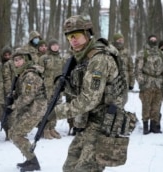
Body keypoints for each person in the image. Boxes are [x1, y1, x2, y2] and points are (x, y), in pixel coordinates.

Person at [50, 15, 131, 172]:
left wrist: (56, 112)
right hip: (88, 121)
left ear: (88, 34)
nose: (73, 40)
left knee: (86, 169)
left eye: (77, 35)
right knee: (69, 167)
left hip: (103, 122)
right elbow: (83, 89)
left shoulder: (99, 59)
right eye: (69, 36)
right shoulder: (81, 57)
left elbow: (89, 100)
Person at [7, 47, 47, 172]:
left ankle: (33, 161)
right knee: (14, 133)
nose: (17, 62)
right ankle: (30, 159)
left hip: (36, 108)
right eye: (15, 60)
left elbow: (27, 97)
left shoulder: (30, 75)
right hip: (30, 107)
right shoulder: (23, 74)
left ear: (26, 60)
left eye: (20, 59)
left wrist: (12, 107)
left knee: (16, 134)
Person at [135, 35, 163, 134]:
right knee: (146, 104)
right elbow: (138, 70)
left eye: (155, 39)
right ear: (148, 40)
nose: (153, 41)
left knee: (157, 105)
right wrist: (141, 82)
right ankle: (145, 125)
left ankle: (154, 126)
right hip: (147, 82)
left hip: (158, 83)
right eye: (152, 39)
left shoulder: (161, 54)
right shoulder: (142, 53)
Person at [39, 38, 64, 139]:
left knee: (56, 108)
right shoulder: (44, 58)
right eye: (53, 45)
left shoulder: (61, 58)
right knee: (47, 108)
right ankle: (45, 129)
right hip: (47, 87)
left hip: (58, 86)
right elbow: (39, 72)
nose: (55, 47)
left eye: (56, 45)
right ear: (50, 47)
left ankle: (52, 128)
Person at [112, 33, 135, 106]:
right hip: (113, 81)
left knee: (123, 101)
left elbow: (131, 68)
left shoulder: (126, 52)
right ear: (115, 41)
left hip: (125, 81)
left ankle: (120, 115)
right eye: (119, 40)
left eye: (122, 40)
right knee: (112, 103)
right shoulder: (110, 50)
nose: (121, 42)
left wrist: (131, 83)